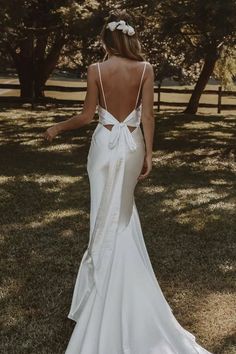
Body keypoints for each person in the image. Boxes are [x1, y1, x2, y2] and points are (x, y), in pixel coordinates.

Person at [43, 9, 213, 354]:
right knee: (121, 215)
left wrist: (57, 127)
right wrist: (149, 154)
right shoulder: (146, 69)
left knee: (100, 215)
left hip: (104, 147)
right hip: (132, 144)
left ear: (107, 40)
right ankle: (115, 284)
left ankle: (101, 288)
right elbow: (147, 115)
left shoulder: (95, 70)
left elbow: (87, 116)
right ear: (129, 38)